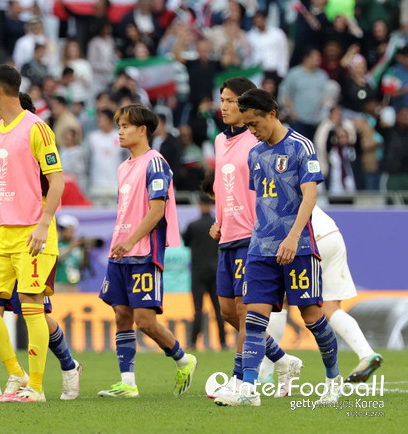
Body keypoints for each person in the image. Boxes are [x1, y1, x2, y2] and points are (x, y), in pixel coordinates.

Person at [217, 89, 341, 406]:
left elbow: (309, 197)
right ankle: (248, 389)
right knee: (254, 317)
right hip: (260, 249)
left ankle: (334, 378)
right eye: (247, 126)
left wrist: (292, 236)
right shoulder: (255, 154)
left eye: (255, 123)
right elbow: (263, 202)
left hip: (298, 247)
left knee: (313, 317)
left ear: (272, 113)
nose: (253, 131)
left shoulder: (301, 146)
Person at [0, 92, 81, 402]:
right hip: (1, 235)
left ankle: (60, 369)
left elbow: (54, 181)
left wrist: (43, 222)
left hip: (32, 233)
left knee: (33, 310)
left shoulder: (34, 131)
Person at [209, 78, 301, 402]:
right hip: (227, 234)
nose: (224, 106)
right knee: (228, 313)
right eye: (222, 100)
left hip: (252, 235)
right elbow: (224, 185)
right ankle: (284, 361)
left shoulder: (257, 138)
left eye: (231, 100)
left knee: (245, 311)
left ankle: (240, 381)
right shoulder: (220, 141)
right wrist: (218, 219)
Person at [97, 104, 197, 399]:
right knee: (121, 314)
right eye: (118, 126)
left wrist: (130, 240)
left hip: (144, 251)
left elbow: (156, 211)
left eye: (125, 126)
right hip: (121, 251)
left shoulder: (156, 163)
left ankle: (183, 359)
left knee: (145, 320)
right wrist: (121, 241)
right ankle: (127, 383)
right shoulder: (123, 167)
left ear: (142, 130)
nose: (120, 131)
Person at [260, 206, 383, 383]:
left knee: (280, 300)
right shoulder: (296, 181)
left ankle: (266, 373)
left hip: (306, 239)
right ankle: (367, 354)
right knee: (331, 307)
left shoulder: (264, 188)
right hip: (332, 234)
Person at [182, 193, 225, 350]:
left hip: (198, 271)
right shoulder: (217, 225)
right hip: (215, 270)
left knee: (198, 309)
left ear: (200, 204)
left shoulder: (193, 225)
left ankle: (193, 342)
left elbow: (186, 242)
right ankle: (223, 342)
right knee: (218, 310)